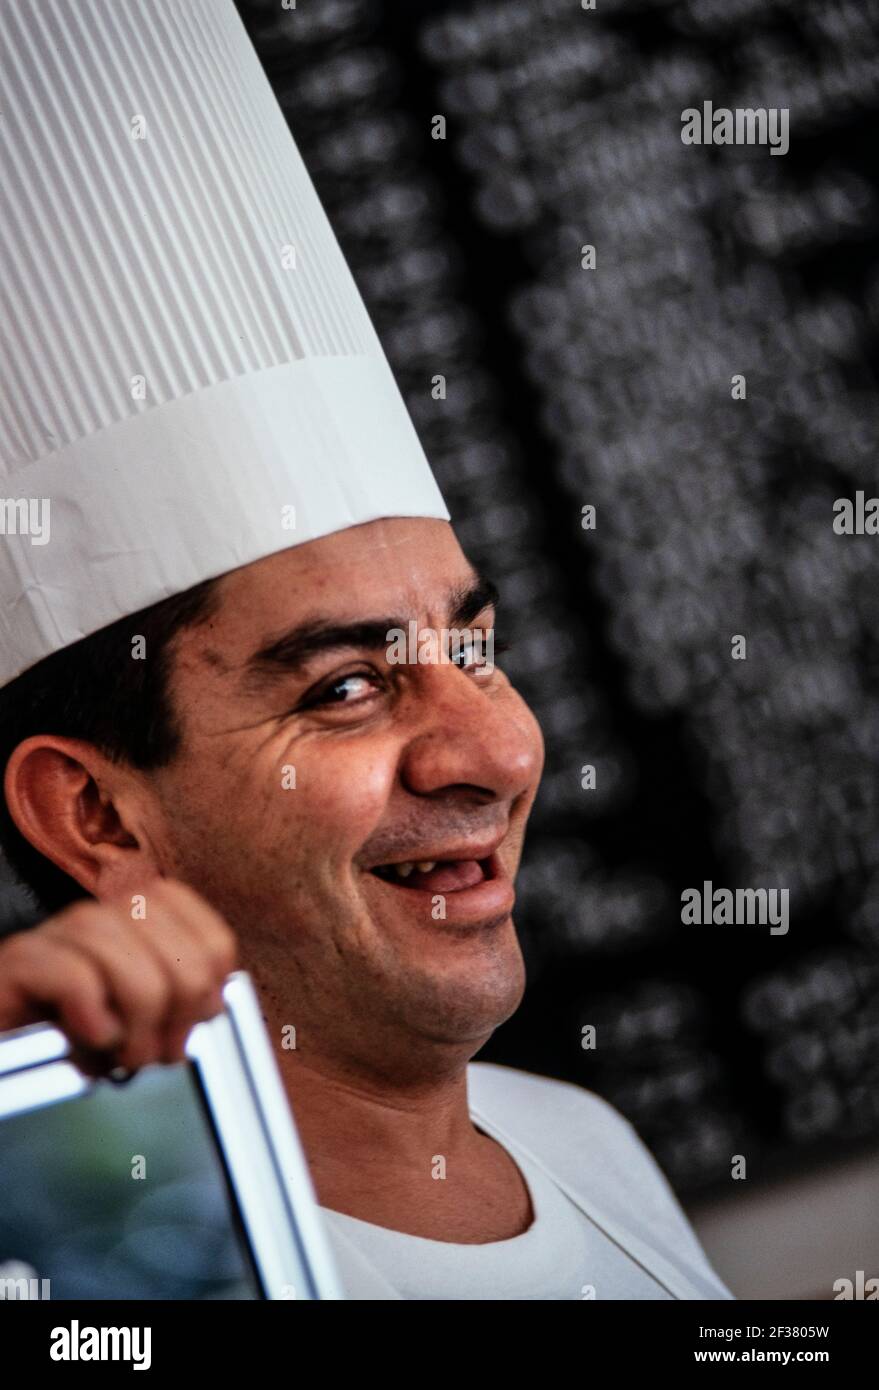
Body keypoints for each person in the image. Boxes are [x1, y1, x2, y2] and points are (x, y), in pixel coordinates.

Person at [0, 0, 733, 1300]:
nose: (502, 747)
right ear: (97, 810)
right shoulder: (100, 1258)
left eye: (476, 644)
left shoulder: (587, 1143)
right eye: (345, 686)